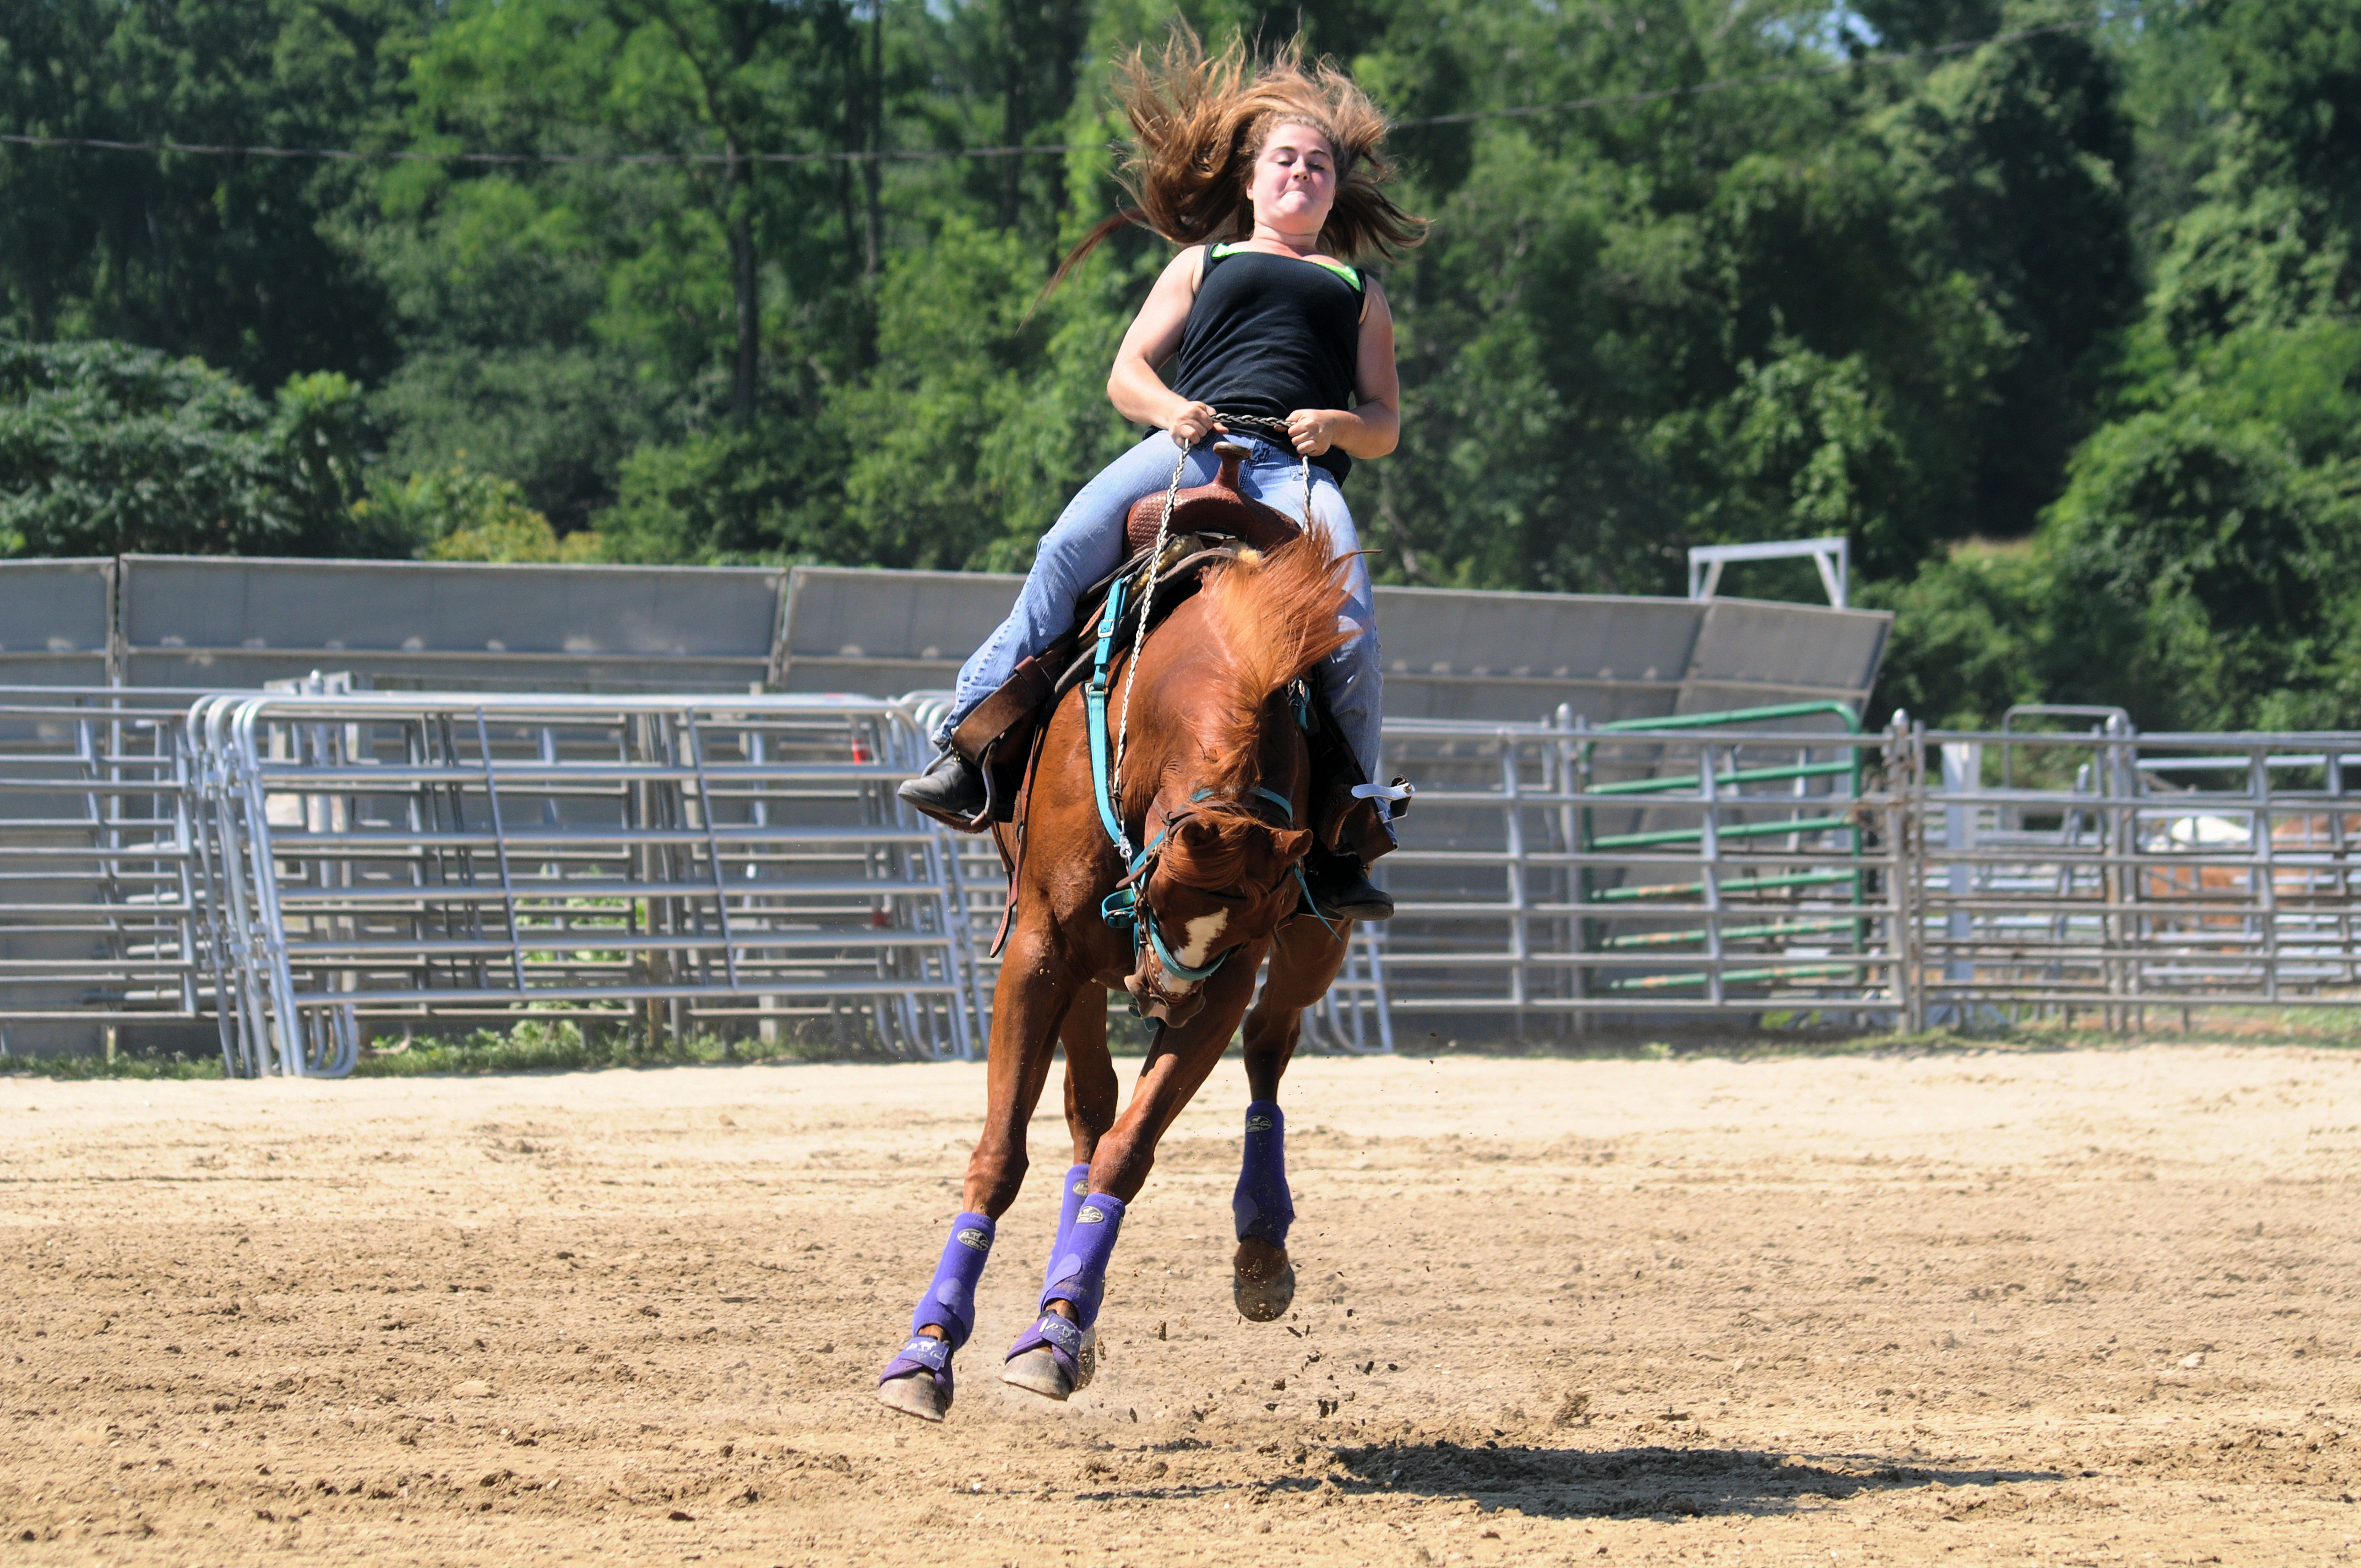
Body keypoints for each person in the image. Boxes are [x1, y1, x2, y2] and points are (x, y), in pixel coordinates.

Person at [900, 34, 1423, 918]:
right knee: (1066, 545)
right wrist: (1167, 409)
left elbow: (1384, 426)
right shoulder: (1202, 264)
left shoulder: (1358, 290)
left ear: (1337, 188)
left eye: (1321, 166)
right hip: (1188, 444)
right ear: (1252, 180)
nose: (1304, 174)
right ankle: (972, 739)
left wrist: (1336, 425)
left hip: (1297, 475)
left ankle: (1347, 829)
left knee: (1355, 629)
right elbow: (1127, 371)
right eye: (1287, 161)